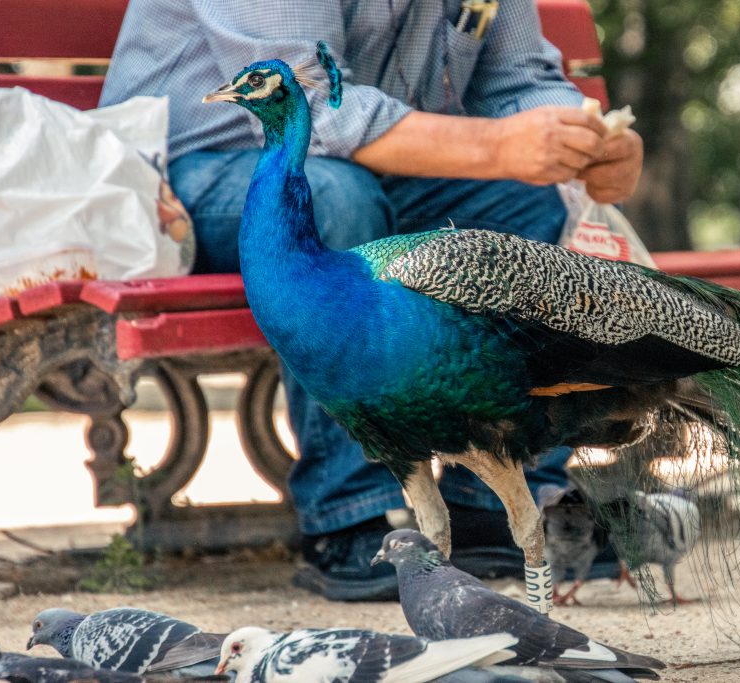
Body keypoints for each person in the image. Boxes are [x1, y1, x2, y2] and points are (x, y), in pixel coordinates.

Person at [100, 0, 644, 601]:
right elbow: (317, 105)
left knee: (533, 205)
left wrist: (586, 144)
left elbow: (518, 80)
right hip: (191, 178)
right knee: (336, 200)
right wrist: (499, 149)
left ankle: (496, 496)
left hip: (388, 171)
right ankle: (352, 513)